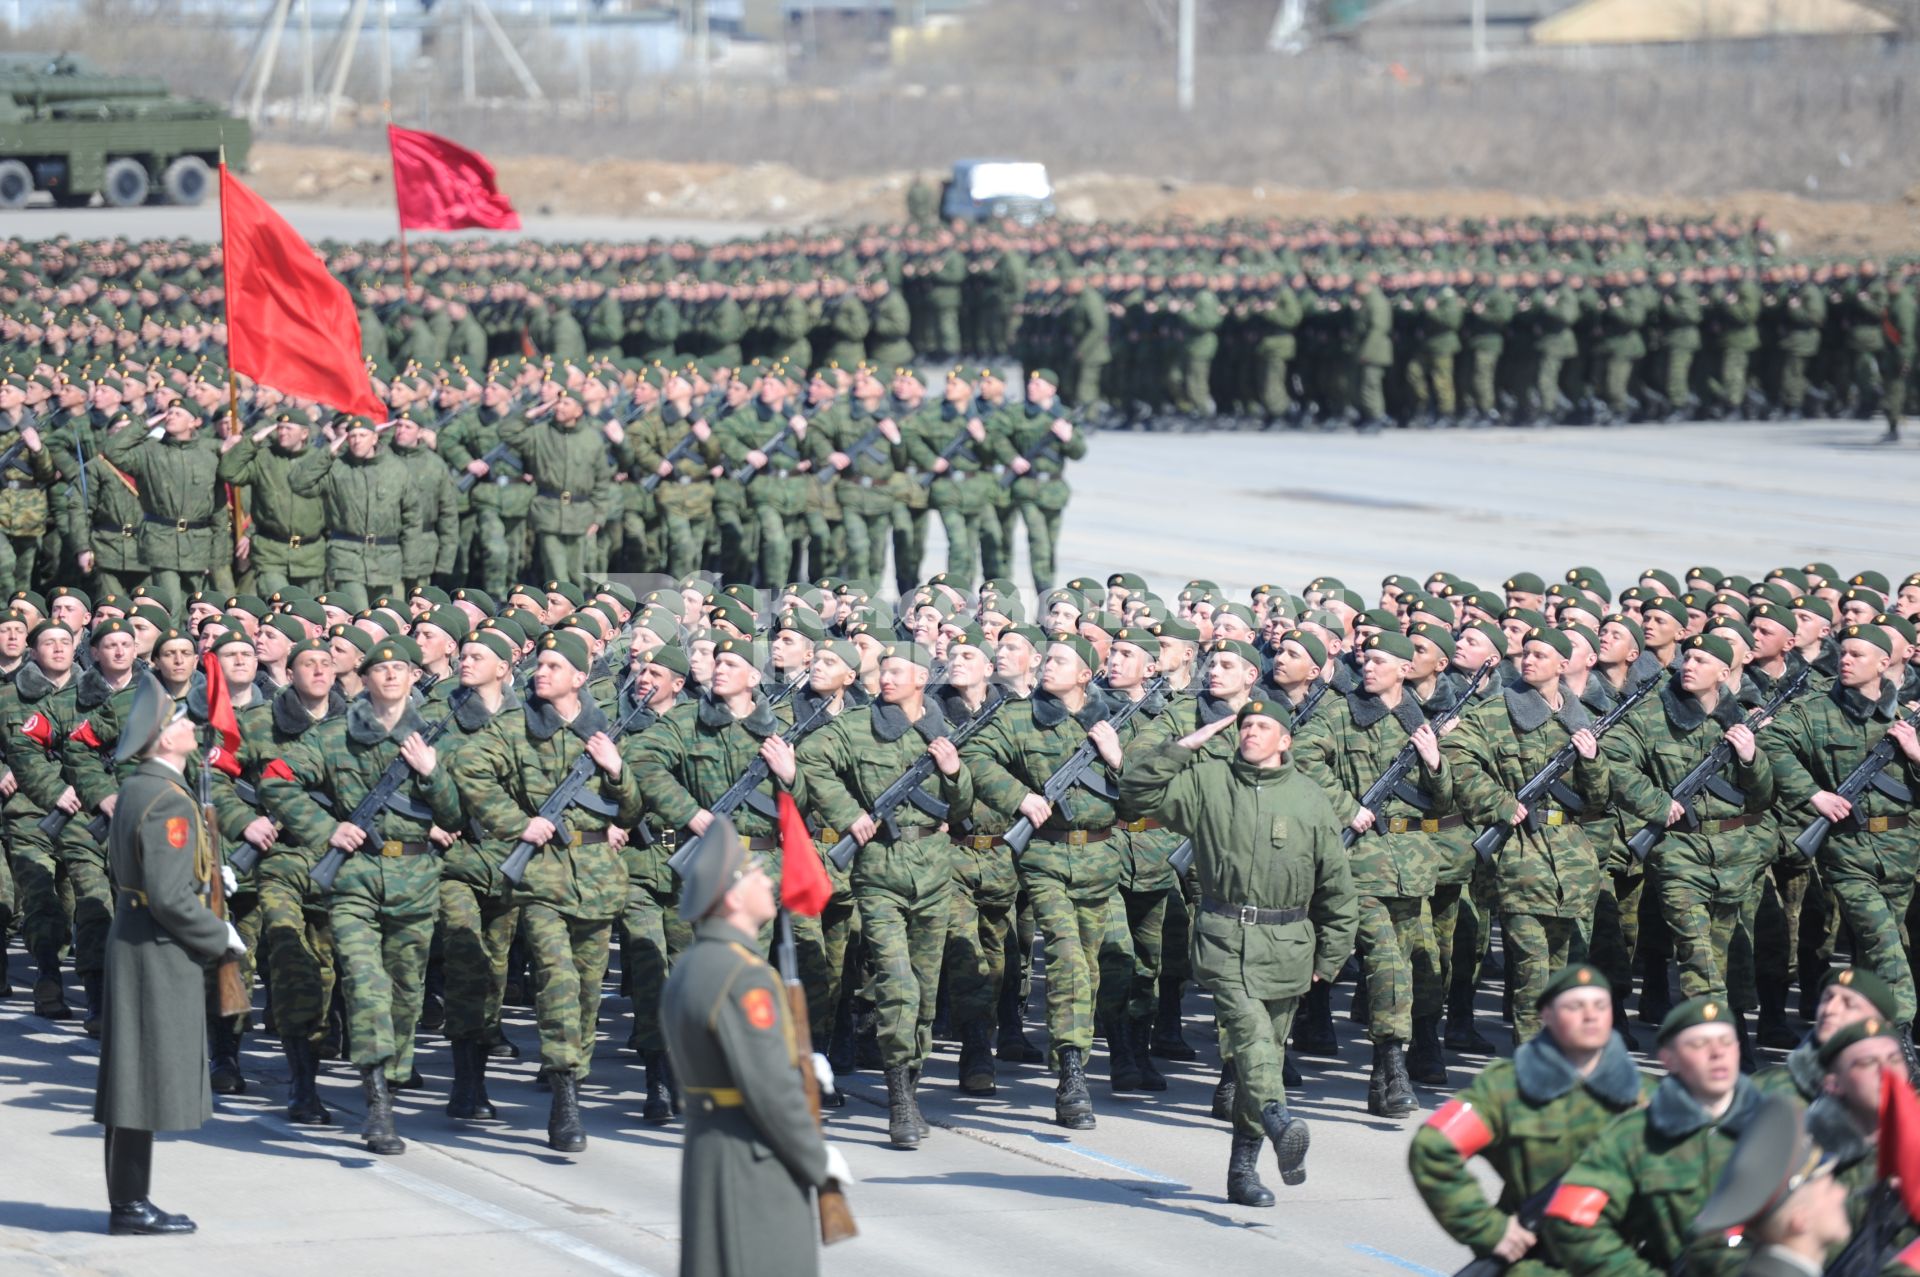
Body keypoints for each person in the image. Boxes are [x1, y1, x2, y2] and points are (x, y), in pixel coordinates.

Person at [1122, 697, 1357, 1205]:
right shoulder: (1209, 783)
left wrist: (1331, 956)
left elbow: (1336, 884)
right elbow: (1137, 789)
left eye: (1263, 725)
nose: (1251, 732)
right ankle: (1278, 1118)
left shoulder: (1310, 798)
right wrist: (1187, 744)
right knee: (1250, 1038)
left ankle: (1243, 1171)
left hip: (1289, 944)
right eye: (1246, 725)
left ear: (1285, 740)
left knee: (1265, 1053)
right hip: (1225, 940)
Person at [661, 815, 854, 1277]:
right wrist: (816, 1158)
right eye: (752, 873)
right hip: (753, 1160)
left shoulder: (691, 966)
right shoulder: (744, 977)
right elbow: (769, 1088)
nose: (766, 878)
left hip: (711, 1151)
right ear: (731, 896)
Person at [92, 671, 249, 1236]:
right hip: (156, 951)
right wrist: (219, 937)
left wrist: (210, 872)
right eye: (180, 722)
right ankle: (130, 1207)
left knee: (129, 1081)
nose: (189, 726)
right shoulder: (167, 801)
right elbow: (168, 897)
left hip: (135, 942)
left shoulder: (142, 786)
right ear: (163, 738)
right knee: (137, 1084)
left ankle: (129, 1201)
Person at [1408, 964, 1653, 1273]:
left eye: (1600, 1006)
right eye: (1575, 1006)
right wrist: (1488, 1229)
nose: (1590, 1016)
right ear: (1546, 1016)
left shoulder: (1647, 1096)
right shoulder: (1508, 1087)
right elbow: (1433, 1148)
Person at [1544, 995, 1760, 1277]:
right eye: (1699, 1043)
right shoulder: (1637, 1134)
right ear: (1668, 1059)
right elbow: (1570, 1219)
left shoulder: (1772, 1125)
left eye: (1726, 1041)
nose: (1717, 1053)